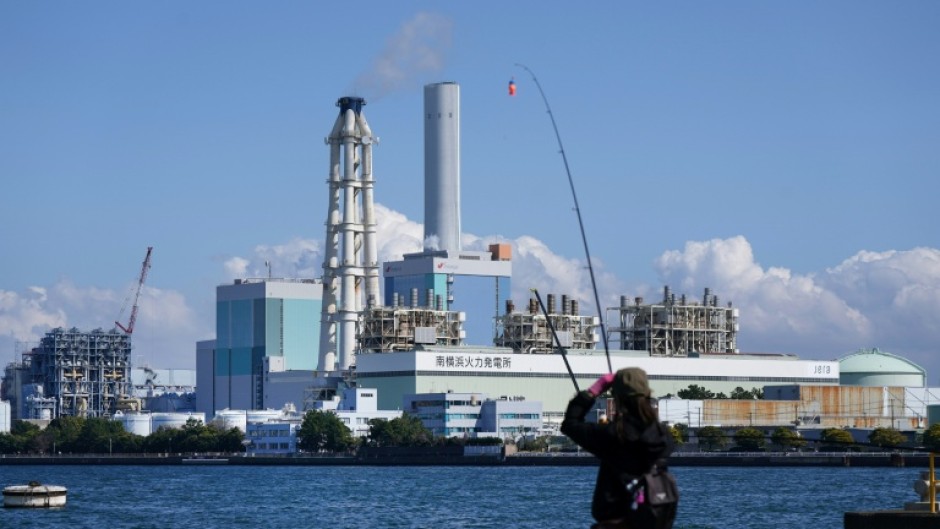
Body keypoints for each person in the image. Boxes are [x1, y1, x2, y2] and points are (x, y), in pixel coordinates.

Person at [561, 367, 676, 529]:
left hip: (614, 523)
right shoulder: (663, 436)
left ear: (617, 399)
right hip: (653, 520)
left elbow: (570, 424)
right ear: (647, 394)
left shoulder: (613, 436)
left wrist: (594, 390)